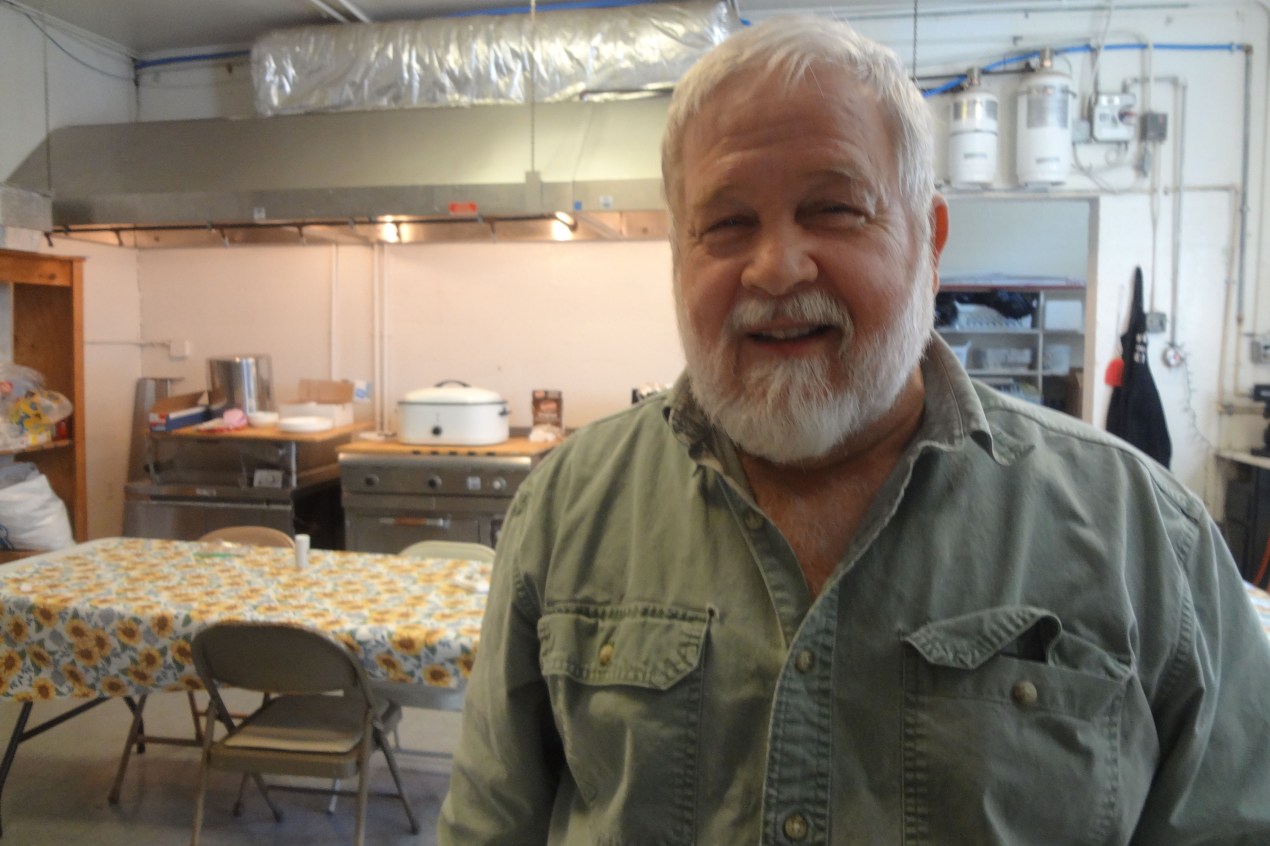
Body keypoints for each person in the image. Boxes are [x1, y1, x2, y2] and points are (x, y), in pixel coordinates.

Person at [438, 15, 1270, 845]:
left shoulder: (1149, 539)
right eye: (726, 224)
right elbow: (489, 825)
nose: (774, 267)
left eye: (834, 209)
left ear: (929, 243)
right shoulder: (566, 507)